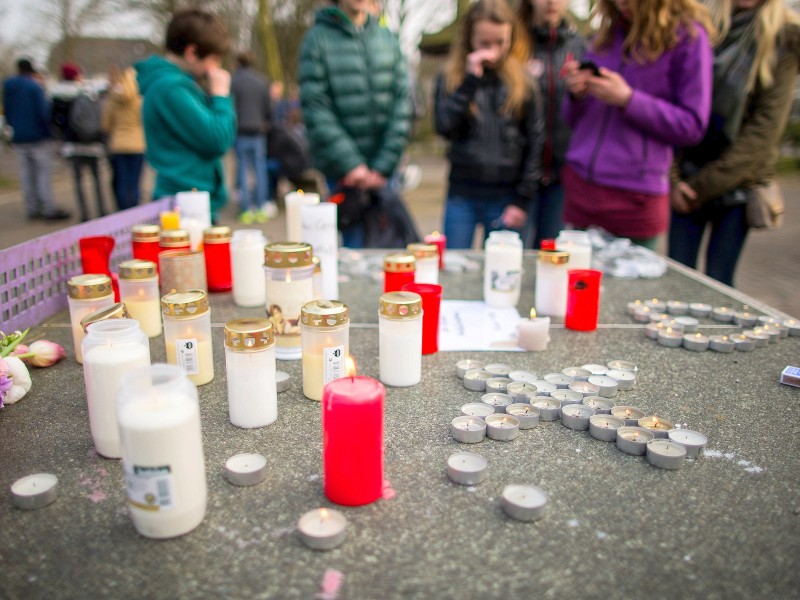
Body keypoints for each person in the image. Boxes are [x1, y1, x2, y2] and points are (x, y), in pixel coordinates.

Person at [561, 0, 715, 249]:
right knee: (577, 286)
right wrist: (576, 95)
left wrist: (628, 100)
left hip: (635, 198)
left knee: (632, 288)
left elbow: (692, 125)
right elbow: (570, 119)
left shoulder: (688, 39)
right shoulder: (605, 35)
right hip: (582, 190)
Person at [668, 0, 800, 287]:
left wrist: (700, 187)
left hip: (738, 181)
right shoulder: (699, 26)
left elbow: (764, 130)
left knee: (719, 282)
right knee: (677, 279)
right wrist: (674, 178)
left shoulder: (783, 36)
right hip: (687, 175)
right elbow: (677, 106)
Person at [299, 0, 412, 248]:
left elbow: (403, 103)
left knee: (390, 248)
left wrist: (383, 165)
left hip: (384, 171)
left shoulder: (387, 39)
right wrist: (351, 165)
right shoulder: (317, 40)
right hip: (345, 175)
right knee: (355, 251)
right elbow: (316, 107)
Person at [434, 0, 544, 249]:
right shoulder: (451, 77)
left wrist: (522, 200)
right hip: (462, 194)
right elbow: (444, 126)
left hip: (506, 196)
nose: (493, 51)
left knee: (502, 273)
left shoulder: (524, 82)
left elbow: (535, 142)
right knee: (453, 265)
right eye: (485, 43)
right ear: (469, 38)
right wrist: (470, 82)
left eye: (500, 42)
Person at [134, 8, 236, 224]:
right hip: (186, 207)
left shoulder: (175, 85)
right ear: (191, 53)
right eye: (214, 59)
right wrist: (221, 95)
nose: (216, 67)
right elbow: (217, 139)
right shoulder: (171, 88)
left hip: (190, 199)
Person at [513, 0, 585, 248]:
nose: (551, 2)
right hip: (518, 174)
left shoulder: (579, 46)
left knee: (551, 253)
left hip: (562, 175)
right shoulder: (515, 43)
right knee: (513, 252)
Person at [2, 58, 70, 220]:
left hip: (20, 136)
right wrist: (49, 131)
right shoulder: (34, 87)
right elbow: (43, 112)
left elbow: (7, 111)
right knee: (42, 174)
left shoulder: (8, 87)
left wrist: (13, 128)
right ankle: (48, 208)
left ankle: (31, 207)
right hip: (38, 137)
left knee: (26, 174)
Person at [51, 62, 108, 222]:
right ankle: (101, 210)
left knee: (78, 180)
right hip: (93, 143)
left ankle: (85, 214)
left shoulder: (58, 96)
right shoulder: (88, 92)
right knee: (97, 179)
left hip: (73, 144)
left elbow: (55, 122)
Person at [231, 51, 275, 225]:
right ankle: (262, 205)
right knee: (259, 168)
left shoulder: (234, 81)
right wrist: (267, 123)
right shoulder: (262, 81)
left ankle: (246, 209)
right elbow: (269, 107)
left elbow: (231, 106)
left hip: (240, 130)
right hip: (258, 131)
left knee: (242, 168)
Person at [101, 66, 146, 211]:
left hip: (118, 145)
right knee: (134, 184)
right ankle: (134, 213)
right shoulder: (140, 100)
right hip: (137, 145)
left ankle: (122, 214)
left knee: (121, 183)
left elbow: (105, 125)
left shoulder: (112, 99)